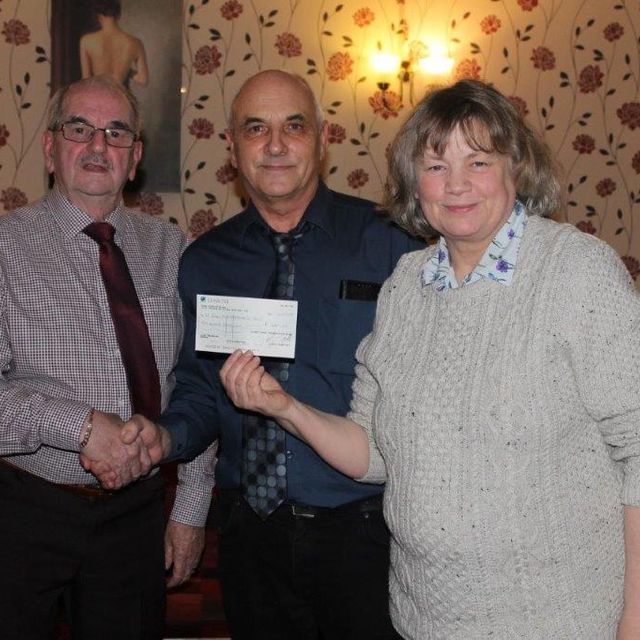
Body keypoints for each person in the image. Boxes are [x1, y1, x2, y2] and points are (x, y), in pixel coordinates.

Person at [220, 79, 640, 639]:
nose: (458, 184)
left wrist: (634, 621)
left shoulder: (575, 271)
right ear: (415, 184)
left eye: (479, 161)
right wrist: (285, 407)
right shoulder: (405, 287)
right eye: (436, 166)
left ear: (515, 167)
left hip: (557, 617)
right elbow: (372, 453)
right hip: (424, 619)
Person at [156, 70, 422, 640]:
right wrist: (162, 439)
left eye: (293, 126)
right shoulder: (205, 261)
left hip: (369, 533)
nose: (275, 145)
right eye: (256, 128)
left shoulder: (392, 244)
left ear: (323, 140)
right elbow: (202, 392)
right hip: (252, 534)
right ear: (233, 147)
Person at [0, 75, 213, 640]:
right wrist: (81, 428)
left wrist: (189, 511)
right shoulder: (3, 248)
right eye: (79, 129)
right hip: (22, 511)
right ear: (50, 148)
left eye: (116, 133)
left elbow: (198, 384)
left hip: (137, 517)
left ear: (135, 156)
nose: (98, 146)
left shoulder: (175, 251)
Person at [80, 0, 149, 88]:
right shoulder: (135, 42)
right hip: (123, 99)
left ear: (99, 16)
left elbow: (86, 81)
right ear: (118, 15)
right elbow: (143, 80)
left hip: (98, 97)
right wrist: (128, 72)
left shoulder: (86, 41)